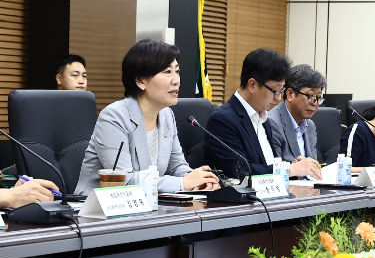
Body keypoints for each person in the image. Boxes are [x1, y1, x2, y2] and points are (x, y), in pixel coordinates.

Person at [74, 40, 219, 195]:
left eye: (177, 71)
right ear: (140, 80)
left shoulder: (166, 115)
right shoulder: (114, 117)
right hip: (97, 205)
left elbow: (177, 166)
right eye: (167, 72)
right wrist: (183, 183)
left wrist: (199, 181)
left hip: (149, 203)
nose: (176, 80)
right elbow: (124, 181)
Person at [205, 48, 322, 180]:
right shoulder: (223, 120)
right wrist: (290, 169)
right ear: (252, 85)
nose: (278, 98)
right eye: (275, 91)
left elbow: (268, 165)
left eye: (281, 91)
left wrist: (293, 167)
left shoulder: (264, 118)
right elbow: (241, 171)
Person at [268, 64, 326, 163]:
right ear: (290, 94)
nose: (315, 103)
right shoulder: (271, 123)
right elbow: (273, 168)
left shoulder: (310, 125)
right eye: (310, 96)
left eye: (318, 97)